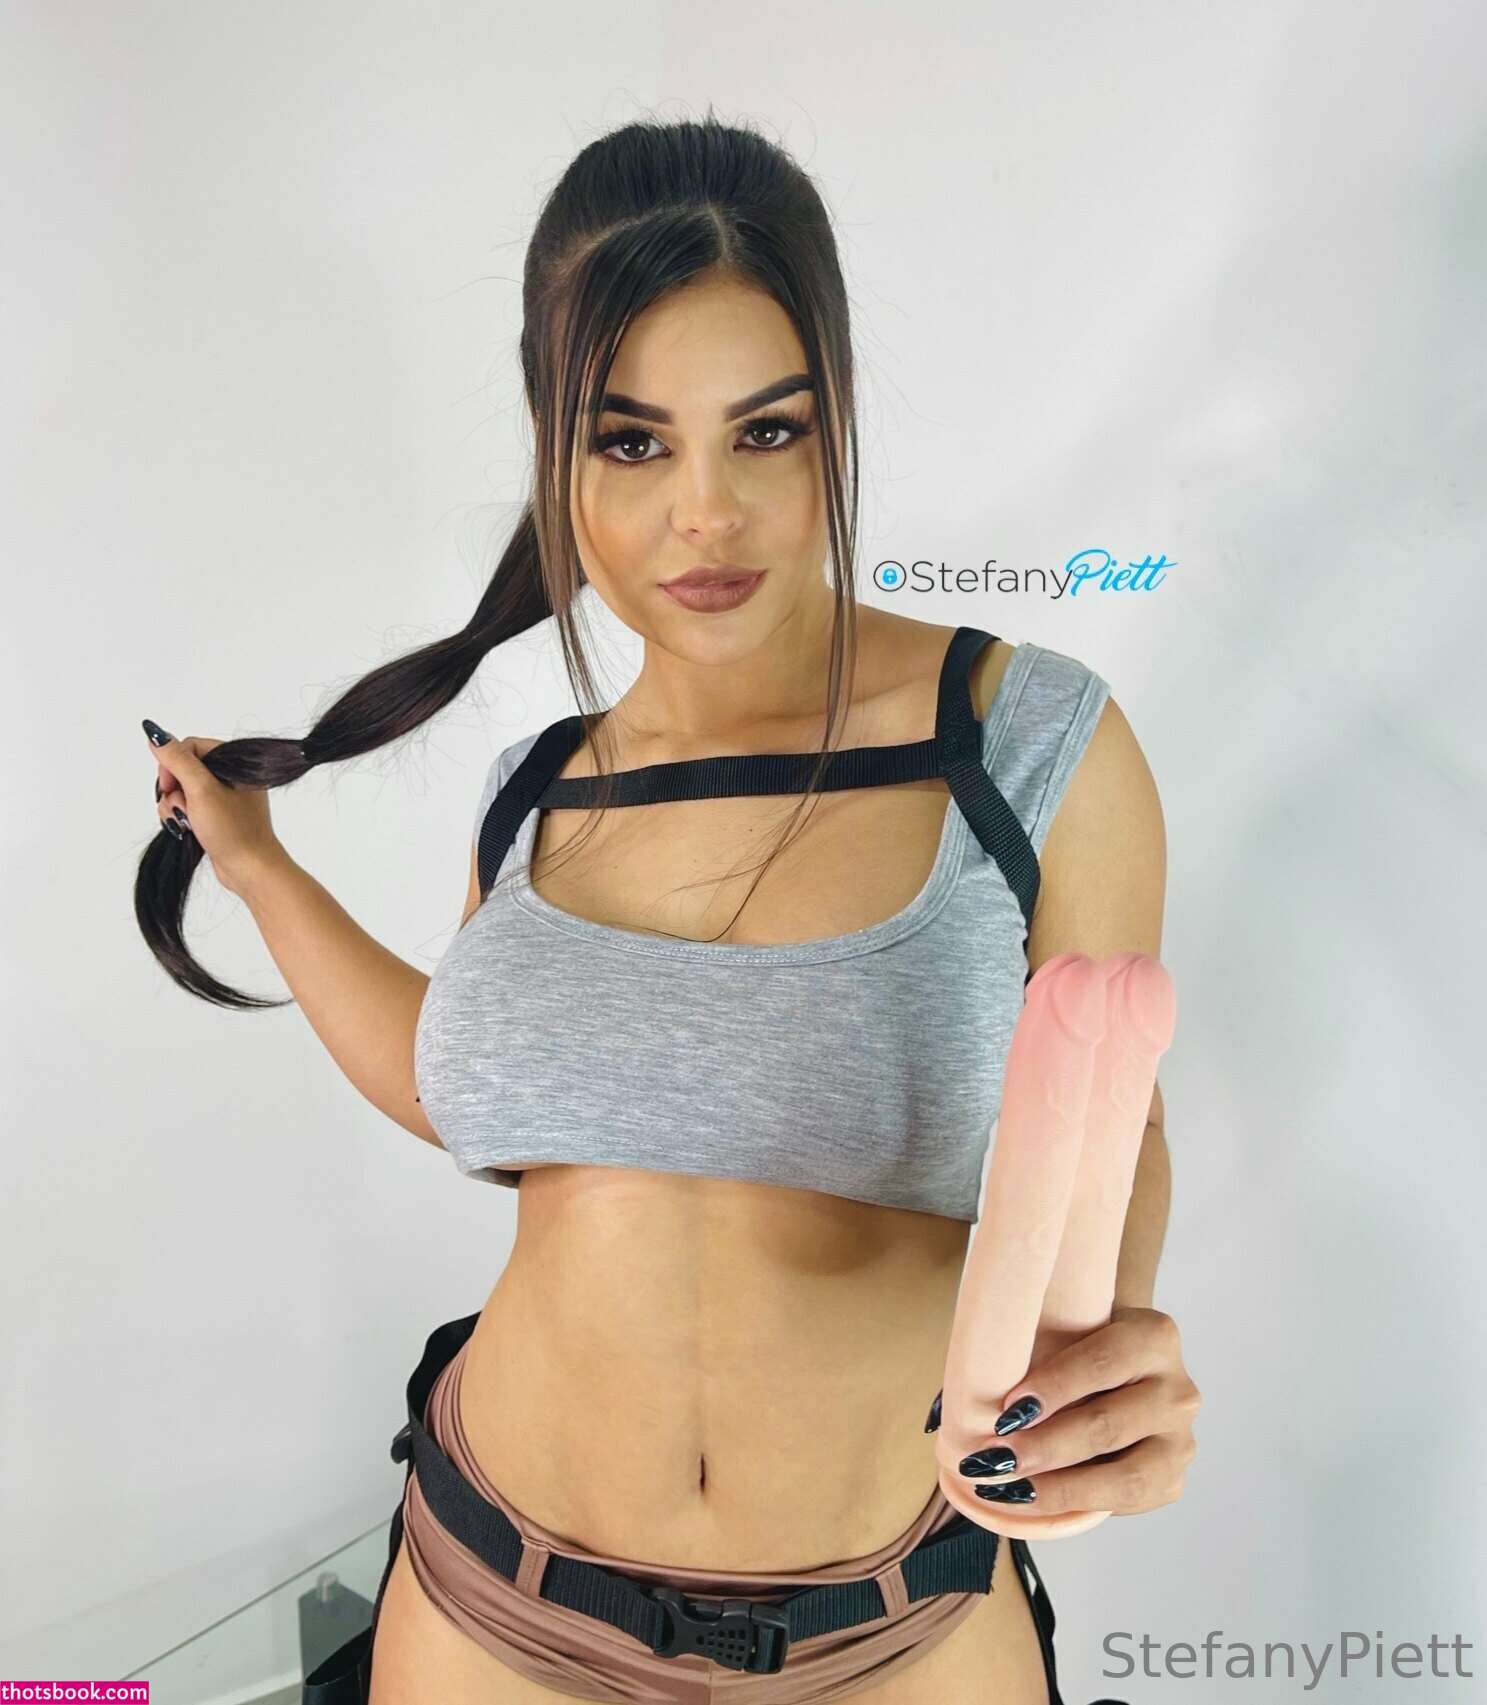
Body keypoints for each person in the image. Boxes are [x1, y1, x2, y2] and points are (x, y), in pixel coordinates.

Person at [137, 112, 1197, 1705]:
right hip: (494, 1603)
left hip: (891, 1629)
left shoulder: (1029, 741)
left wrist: (1107, 1359)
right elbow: (471, 1087)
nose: (704, 512)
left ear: (836, 420)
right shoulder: (539, 786)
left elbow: (1117, 1123)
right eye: (631, 443)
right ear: (552, 448)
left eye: (763, 431)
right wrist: (261, 869)